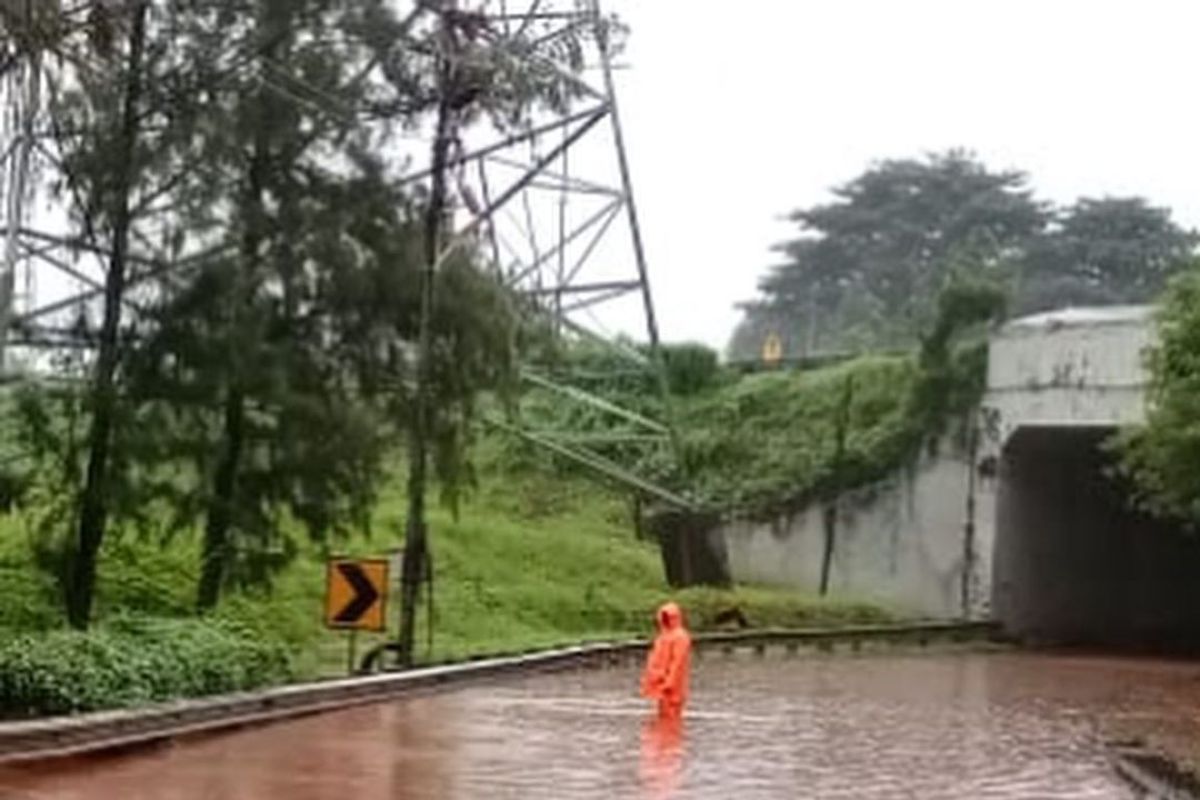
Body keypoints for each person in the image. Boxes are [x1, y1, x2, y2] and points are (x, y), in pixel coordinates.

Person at [640, 601, 692, 718]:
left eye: (668, 617)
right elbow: (655, 658)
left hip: (672, 685)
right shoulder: (663, 636)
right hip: (660, 682)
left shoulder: (680, 636)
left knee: (671, 715)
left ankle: (671, 735)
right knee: (663, 716)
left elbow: (678, 662)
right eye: (663, 617)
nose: (665, 620)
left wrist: (670, 681)